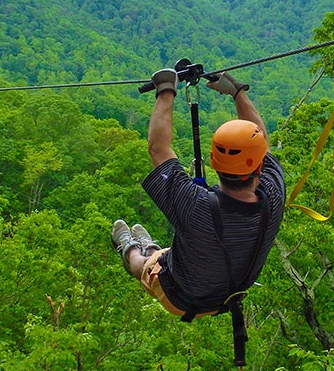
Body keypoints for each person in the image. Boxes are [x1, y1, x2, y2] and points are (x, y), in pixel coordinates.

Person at [111, 69, 286, 320]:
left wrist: (166, 89)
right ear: (258, 166)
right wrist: (238, 92)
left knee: (148, 266)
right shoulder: (274, 195)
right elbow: (262, 141)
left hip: (181, 297)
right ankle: (150, 248)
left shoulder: (195, 207)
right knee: (171, 252)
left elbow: (158, 149)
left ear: (213, 163)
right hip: (226, 293)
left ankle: (130, 249)